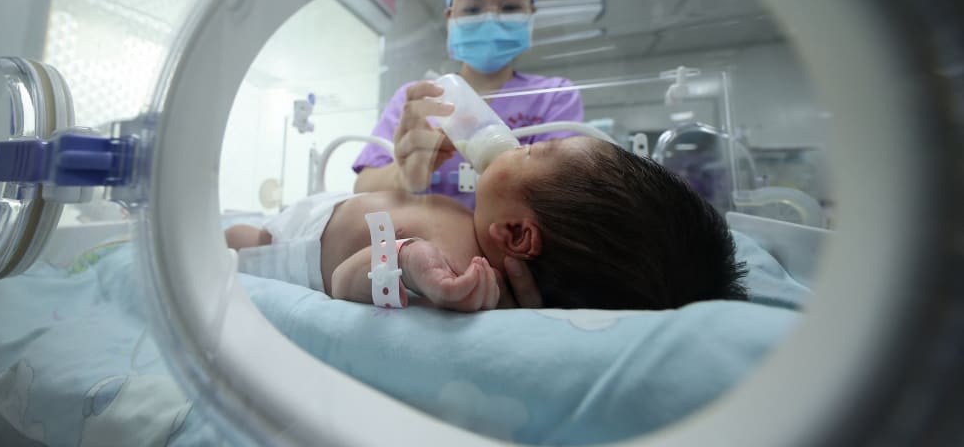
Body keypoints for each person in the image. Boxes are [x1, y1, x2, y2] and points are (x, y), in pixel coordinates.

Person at [226, 136, 749, 312]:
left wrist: (405, 264)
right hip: (320, 208)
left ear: (518, 234)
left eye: (534, 149)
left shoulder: (453, 267)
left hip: (292, 246)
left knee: (234, 239)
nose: (515, 144)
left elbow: (342, 283)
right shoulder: (474, 231)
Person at [351, 0, 584, 209]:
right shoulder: (419, 99)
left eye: (509, 7)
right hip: (425, 245)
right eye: (472, 9)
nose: (490, 18)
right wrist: (402, 176)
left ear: (531, 14)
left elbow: (566, 193)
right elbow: (362, 185)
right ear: (450, 18)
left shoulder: (553, 96)